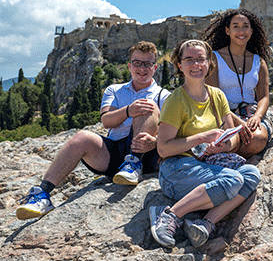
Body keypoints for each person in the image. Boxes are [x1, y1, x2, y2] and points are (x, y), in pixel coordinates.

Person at [16, 41, 170, 220]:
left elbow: (172, 133)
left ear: (155, 67)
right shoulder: (114, 90)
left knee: (148, 106)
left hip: (146, 153)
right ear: (129, 66)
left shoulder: (164, 96)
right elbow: (106, 121)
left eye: (147, 63)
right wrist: (129, 110)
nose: (142, 68)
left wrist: (154, 142)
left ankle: (134, 163)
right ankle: (42, 194)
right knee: (81, 137)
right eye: (137, 63)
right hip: (114, 154)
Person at [149, 39, 261, 248]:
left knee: (252, 175)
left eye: (201, 59)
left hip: (206, 165)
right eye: (189, 59)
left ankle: (204, 223)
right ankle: (168, 214)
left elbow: (232, 137)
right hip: (176, 169)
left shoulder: (217, 95)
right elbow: (163, 148)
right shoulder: (176, 101)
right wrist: (201, 137)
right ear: (179, 65)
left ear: (210, 63)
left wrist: (223, 146)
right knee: (233, 179)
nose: (196, 65)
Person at [204, 9, 272, 158]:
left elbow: (264, 97)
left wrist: (257, 117)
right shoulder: (214, 58)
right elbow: (213, 96)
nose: (241, 31)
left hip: (250, 112)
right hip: (221, 112)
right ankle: (229, 150)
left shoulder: (259, 62)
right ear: (227, 31)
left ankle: (226, 152)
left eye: (245, 26)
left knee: (257, 139)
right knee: (233, 137)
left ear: (252, 31)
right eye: (236, 26)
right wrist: (237, 122)